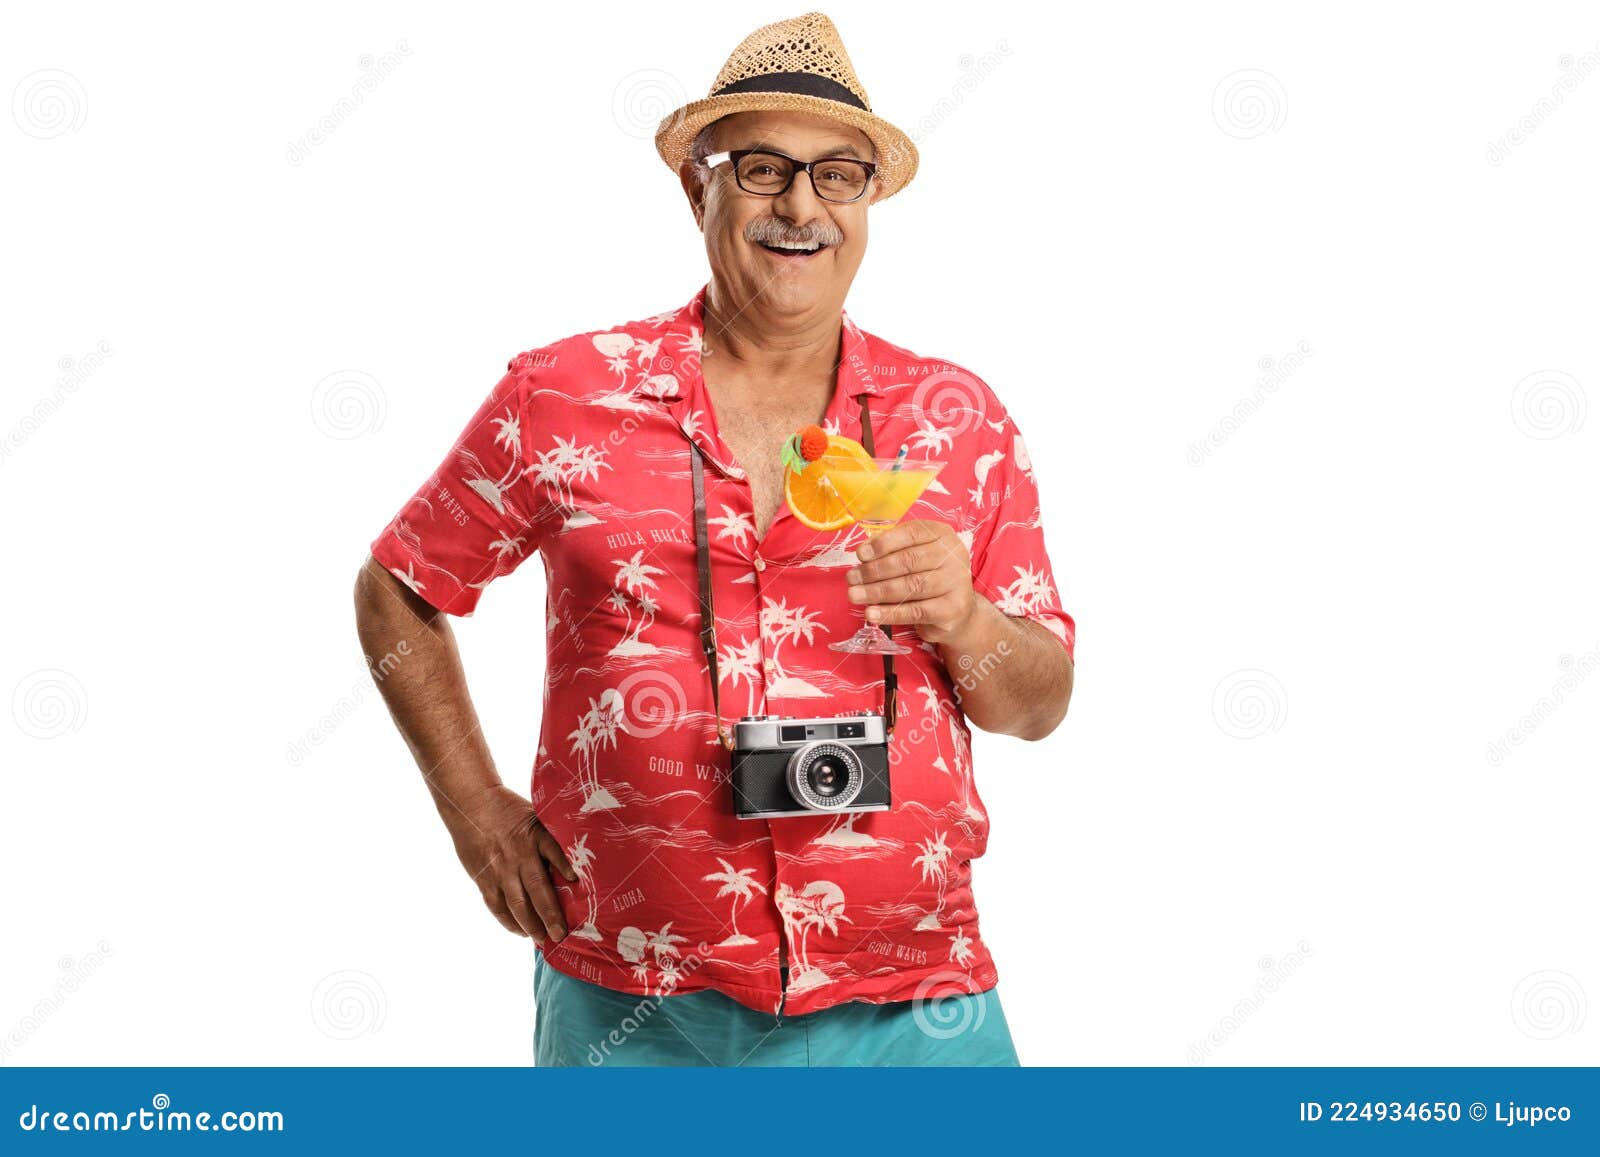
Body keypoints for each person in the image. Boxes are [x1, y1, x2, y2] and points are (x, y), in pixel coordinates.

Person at [353, 11, 1074, 1067]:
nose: (800, 206)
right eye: (762, 169)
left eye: (838, 175)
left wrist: (965, 618)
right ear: (699, 188)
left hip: (912, 1006)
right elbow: (399, 586)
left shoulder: (956, 418)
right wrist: (476, 812)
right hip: (633, 998)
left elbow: (1038, 701)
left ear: (868, 202)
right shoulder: (563, 393)